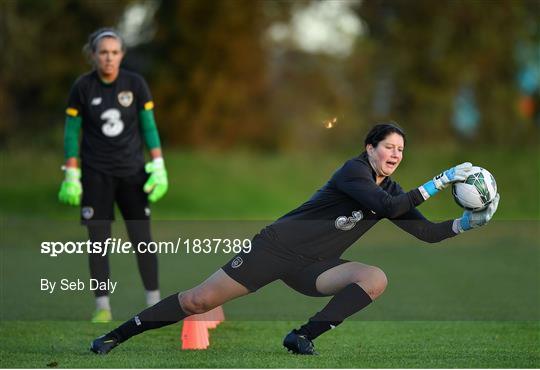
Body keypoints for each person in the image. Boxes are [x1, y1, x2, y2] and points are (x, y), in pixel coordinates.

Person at [90, 123, 499, 354]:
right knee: (198, 300)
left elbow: (425, 232)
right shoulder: (352, 173)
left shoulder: (394, 191)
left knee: (374, 278)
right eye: (388, 147)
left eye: (400, 151)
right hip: (275, 248)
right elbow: (385, 206)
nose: (394, 155)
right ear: (369, 148)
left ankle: (301, 335)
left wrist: (468, 223)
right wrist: (443, 179)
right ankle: (117, 335)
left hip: (312, 268)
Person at [58, 28, 169, 323]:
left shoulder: (135, 84)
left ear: (121, 55)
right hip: (96, 175)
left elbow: (148, 127)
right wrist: (71, 171)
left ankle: (153, 303)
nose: (109, 58)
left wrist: (158, 164)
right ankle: (103, 307)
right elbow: (72, 132)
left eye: (114, 52)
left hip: (133, 174)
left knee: (142, 239)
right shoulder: (82, 87)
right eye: (103, 52)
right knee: (98, 242)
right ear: (93, 55)